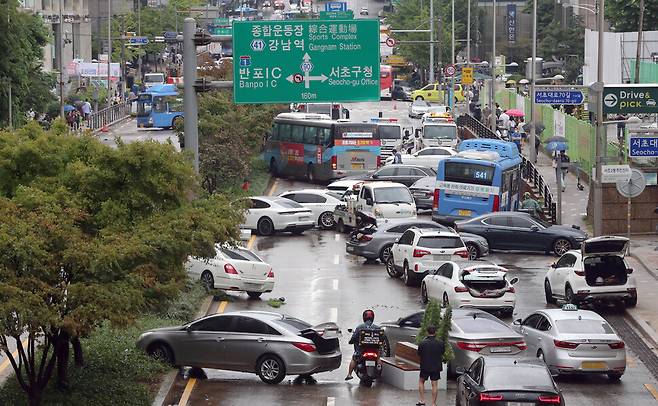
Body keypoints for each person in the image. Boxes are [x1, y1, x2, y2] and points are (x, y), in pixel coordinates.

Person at [345, 309, 380, 381]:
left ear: (364, 317)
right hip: (375, 351)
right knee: (378, 358)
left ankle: (349, 374)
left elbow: (354, 338)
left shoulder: (359, 327)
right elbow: (381, 339)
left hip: (361, 351)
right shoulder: (377, 328)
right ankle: (379, 366)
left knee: (354, 358)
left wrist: (351, 341)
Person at [417, 325, 445, 406]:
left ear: (427, 332)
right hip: (436, 367)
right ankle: (433, 403)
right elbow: (442, 352)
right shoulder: (440, 343)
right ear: (435, 332)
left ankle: (422, 400)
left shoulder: (422, 343)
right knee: (434, 385)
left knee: (421, 382)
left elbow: (419, 353)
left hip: (425, 366)